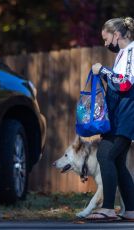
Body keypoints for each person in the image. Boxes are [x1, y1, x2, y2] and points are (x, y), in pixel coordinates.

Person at [86, 17, 134, 221]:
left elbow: (125, 84)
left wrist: (103, 71)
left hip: (126, 116)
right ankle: (131, 210)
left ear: (117, 34)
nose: (105, 44)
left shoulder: (132, 52)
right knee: (118, 162)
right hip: (119, 115)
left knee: (105, 155)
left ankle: (107, 208)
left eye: (107, 39)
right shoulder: (123, 53)